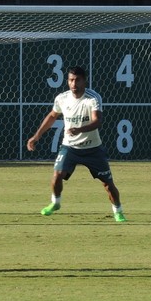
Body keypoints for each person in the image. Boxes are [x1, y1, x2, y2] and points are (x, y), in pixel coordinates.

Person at [26, 65, 126, 221]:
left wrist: (79, 130)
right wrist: (36, 136)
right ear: (67, 81)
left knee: (108, 185)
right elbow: (52, 116)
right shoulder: (62, 98)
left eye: (77, 80)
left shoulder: (93, 98)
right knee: (57, 176)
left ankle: (118, 211)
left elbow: (97, 121)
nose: (74, 84)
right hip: (70, 147)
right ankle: (55, 203)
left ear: (84, 81)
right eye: (71, 80)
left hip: (93, 149)